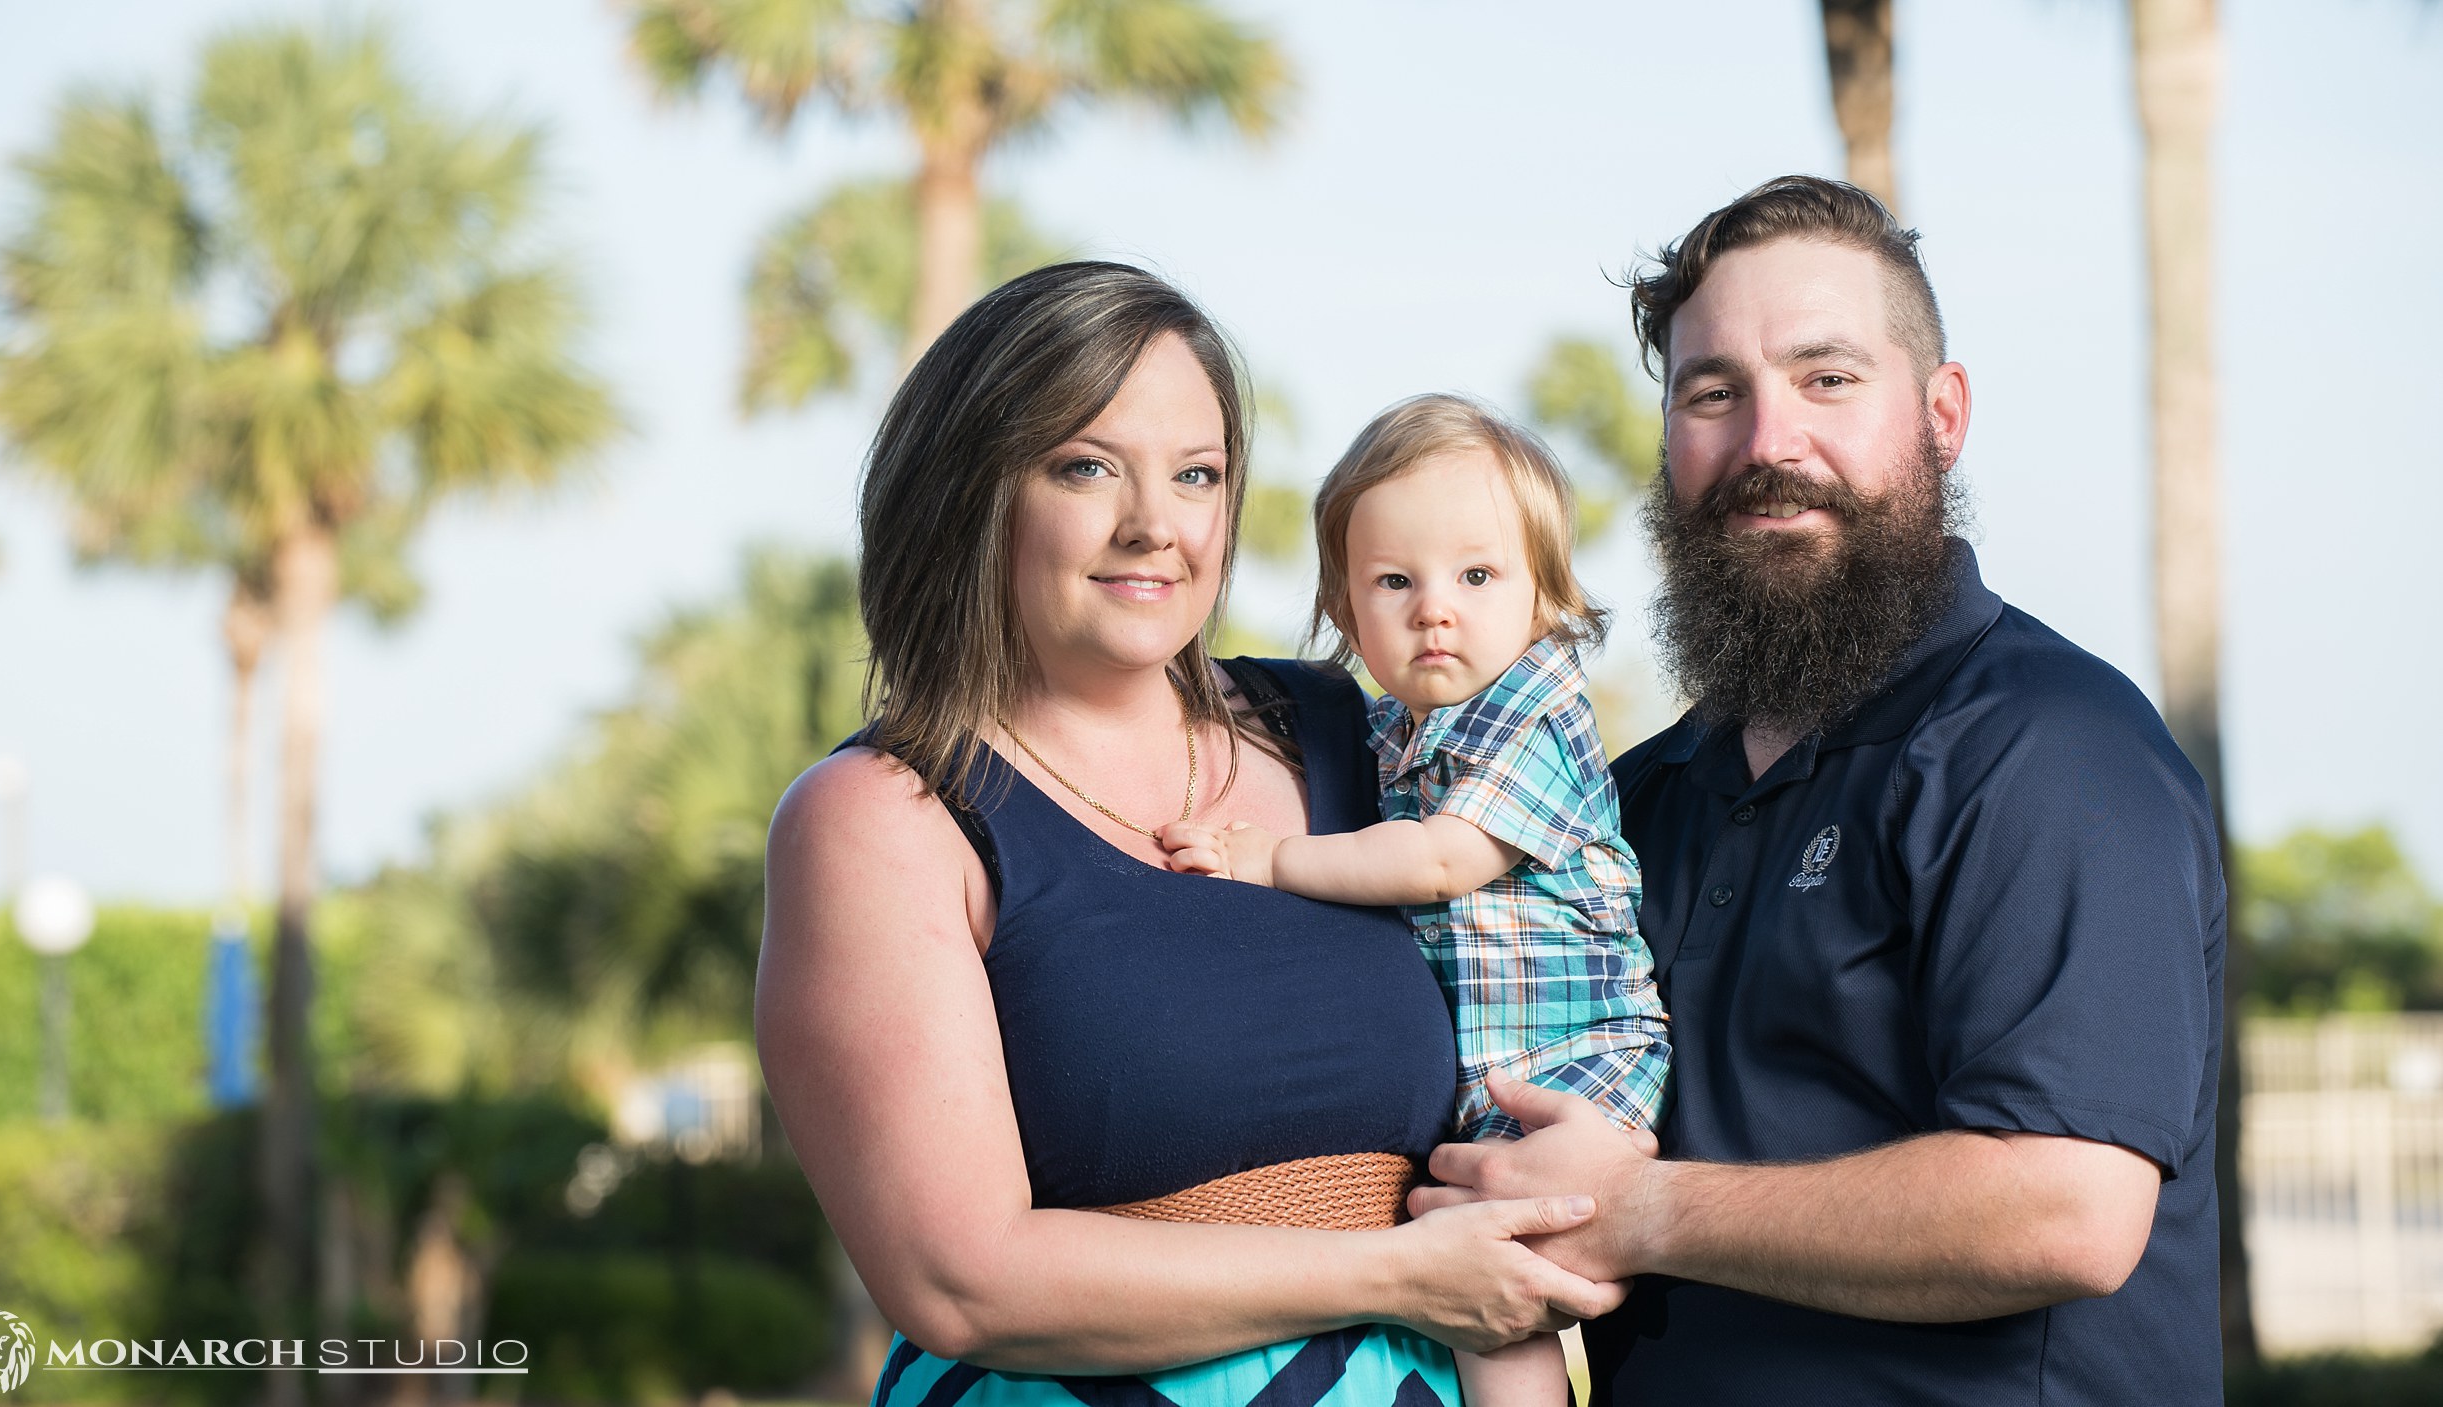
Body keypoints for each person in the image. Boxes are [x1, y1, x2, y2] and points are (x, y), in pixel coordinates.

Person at [1410, 176, 2226, 1404]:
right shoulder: (1626, 803)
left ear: (1942, 415)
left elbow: (2065, 1209)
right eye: (1712, 393)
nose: (1767, 444)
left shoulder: (2051, 747)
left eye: (1826, 379)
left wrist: (1641, 1212)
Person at [758, 261, 1620, 1407]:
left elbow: (1568, 945)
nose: (1154, 526)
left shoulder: (1359, 738)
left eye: (1197, 474)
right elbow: (958, 1280)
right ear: (974, 492)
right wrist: (1400, 1274)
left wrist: (1606, 1149)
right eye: (1085, 466)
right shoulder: (880, 819)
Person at [1160, 394, 1670, 1407]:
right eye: (1393, 581)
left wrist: (1271, 860)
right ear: (1346, 614)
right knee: (1469, 1280)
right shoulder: (1397, 730)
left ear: (1541, 598)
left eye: (1477, 576)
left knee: (1494, 1294)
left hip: (1573, 1068)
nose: (1434, 607)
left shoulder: (1535, 708)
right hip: (1493, 1085)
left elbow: (1438, 863)